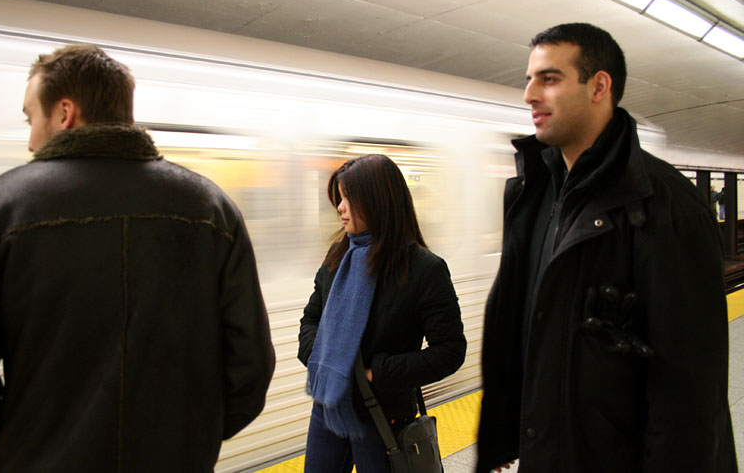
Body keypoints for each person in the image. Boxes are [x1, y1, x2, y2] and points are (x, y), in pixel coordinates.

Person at [0, 44, 275, 471]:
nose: (29, 139)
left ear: (64, 113)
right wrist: (193, 434)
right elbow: (250, 362)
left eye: (31, 119)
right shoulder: (212, 209)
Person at [476, 23, 736, 473]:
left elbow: (689, 397)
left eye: (549, 79)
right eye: (529, 79)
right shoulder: (532, 194)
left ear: (599, 86)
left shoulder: (668, 206)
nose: (529, 95)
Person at [298, 154, 466, 472]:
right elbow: (311, 319)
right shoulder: (338, 257)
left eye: (348, 198)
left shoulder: (424, 269)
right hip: (329, 405)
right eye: (339, 198)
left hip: (384, 414)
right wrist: (319, 357)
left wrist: (378, 373)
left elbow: (451, 351)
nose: (340, 208)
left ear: (376, 202)